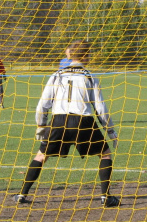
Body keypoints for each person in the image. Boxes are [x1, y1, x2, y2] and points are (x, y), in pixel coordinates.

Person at [13, 40, 120, 207]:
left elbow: (43, 104)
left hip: (59, 121)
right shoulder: (89, 76)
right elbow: (100, 107)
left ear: (71, 55)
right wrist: (110, 130)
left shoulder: (57, 75)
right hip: (83, 121)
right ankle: (105, 197)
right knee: (105, 153)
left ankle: (21, 194)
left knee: (41, 156)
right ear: (86, 56)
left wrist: (41, 125)